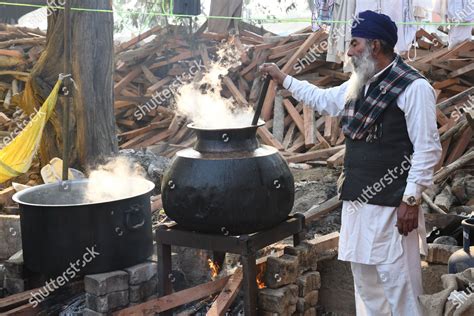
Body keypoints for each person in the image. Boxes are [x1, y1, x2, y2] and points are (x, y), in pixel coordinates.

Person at [260, 10, 442, 316]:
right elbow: (323, 99)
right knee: (366, 287)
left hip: (393, 208)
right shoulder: (360, 83)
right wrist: (284, 79)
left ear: (374, 46)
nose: (348, 51)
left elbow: (428, 149)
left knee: (400, 288)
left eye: (354, 44)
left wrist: (411, 200)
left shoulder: (414, 88)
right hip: (358, 205)